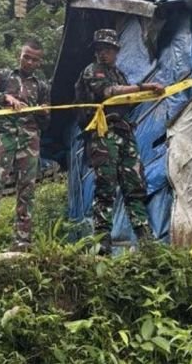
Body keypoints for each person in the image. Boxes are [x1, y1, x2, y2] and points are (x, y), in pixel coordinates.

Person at [74, 28, 165, 254]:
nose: (103, 53)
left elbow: (127, 100)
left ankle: (146, 240)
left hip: (124, 132)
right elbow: (109, 93)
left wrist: (146, 94)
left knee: (135, 187)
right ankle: (103, 242)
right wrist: (143, 88)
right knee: (106, 187)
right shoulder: (92, 71)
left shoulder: (120, 74)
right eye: (100, 49)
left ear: (116, 51)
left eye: (108, 49)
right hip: (103, 134)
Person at [0, 39, 50, 252]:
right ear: (19, 55)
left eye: (35, 59)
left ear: (39, 62)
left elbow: (46, 123)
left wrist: (43, 112)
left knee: (27, 189)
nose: (29, 62)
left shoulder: (42, 86)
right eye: (26, 57)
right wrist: (5, 98)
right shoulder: (3, 76)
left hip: (30, 139)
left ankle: (22, 240)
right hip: (3, 136)